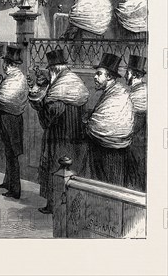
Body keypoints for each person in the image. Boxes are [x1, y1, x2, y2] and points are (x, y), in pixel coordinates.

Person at [28, 49, 89, 214]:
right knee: (71, 169)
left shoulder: (59, 87)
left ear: (54, 69)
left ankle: (54, 206)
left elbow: (50, 115)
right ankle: (70, 204)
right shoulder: (76, 81)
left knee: (56, 167)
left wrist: (38, 105)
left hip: (59, 135)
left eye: (50, 69)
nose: (49, 72)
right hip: (75, 135)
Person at [85, 53, 134, 186]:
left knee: (109, 187)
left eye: (99, 74)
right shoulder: (110, 92)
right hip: (105, 149)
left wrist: (89, 123)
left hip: (111, 153)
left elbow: (104, 125)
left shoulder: (118, 94)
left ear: (110, 77)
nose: (95, 77)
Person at [0, 45, 28, 199]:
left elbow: (2, 99)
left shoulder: (15, 79)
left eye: (5, 62)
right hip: (10, 118)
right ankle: (8, 181)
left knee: (12, 154)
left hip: (11, 119)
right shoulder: (14, 77)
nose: (3, 65)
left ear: (8, 64)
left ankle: (15, 189)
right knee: (8, 151)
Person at [125, 55, 147, 192]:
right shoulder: (142, 90)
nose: (124, 76)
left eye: (127, 72)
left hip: (135, 143)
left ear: (133, 74)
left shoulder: (136, 95)